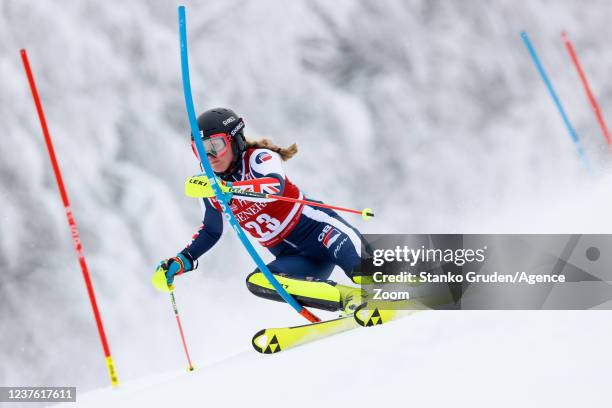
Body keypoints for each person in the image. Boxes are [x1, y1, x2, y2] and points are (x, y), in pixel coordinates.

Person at [153, 107, 367, 314]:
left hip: (322, 232)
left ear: (235, 141)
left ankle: (393, 281)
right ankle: (349, 299)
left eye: (216, 146)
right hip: (295, 258)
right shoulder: (209, 187)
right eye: (200, 149)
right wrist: (182, 260)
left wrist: (230, 189)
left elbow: (275, 186)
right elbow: (212, 230)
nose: (209, 155)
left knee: (367, 273)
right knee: (260, 280)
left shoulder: (258, 158)